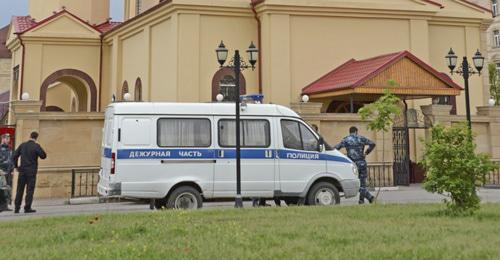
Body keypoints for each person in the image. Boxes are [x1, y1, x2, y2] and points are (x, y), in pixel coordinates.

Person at [335, 126, 376, 204]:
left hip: (352, 165)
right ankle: (364, 199)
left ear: (349, 132)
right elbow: (372, 144)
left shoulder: (346, 140)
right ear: (356, 131)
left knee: (354, 183)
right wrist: (366, 152)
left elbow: (336, 148)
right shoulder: (361, 138)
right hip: (362, 163)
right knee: (362, 183)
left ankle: (365, 199)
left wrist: (342, 157)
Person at [13, 131, 47, 214]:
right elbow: (43, 156)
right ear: (36, 138)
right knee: (30, 190)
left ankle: (17, 208)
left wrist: (16, 166)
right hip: (31, 172)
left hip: (22, 171)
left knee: (19, 190)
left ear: (30, 136)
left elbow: (14, 156)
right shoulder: (36, 146)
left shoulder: (22, 145)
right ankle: (27, 207)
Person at [0, 133, 14, 212]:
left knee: (7, 189)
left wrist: (12, 169)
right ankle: (1, 206)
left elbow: (11, 160)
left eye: (9, 138)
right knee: (1, 189)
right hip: (1, 172)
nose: (9, 140)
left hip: (8, 172)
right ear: (3, 139)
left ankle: (5, 206)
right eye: (7, 138)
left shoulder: (9, 148)